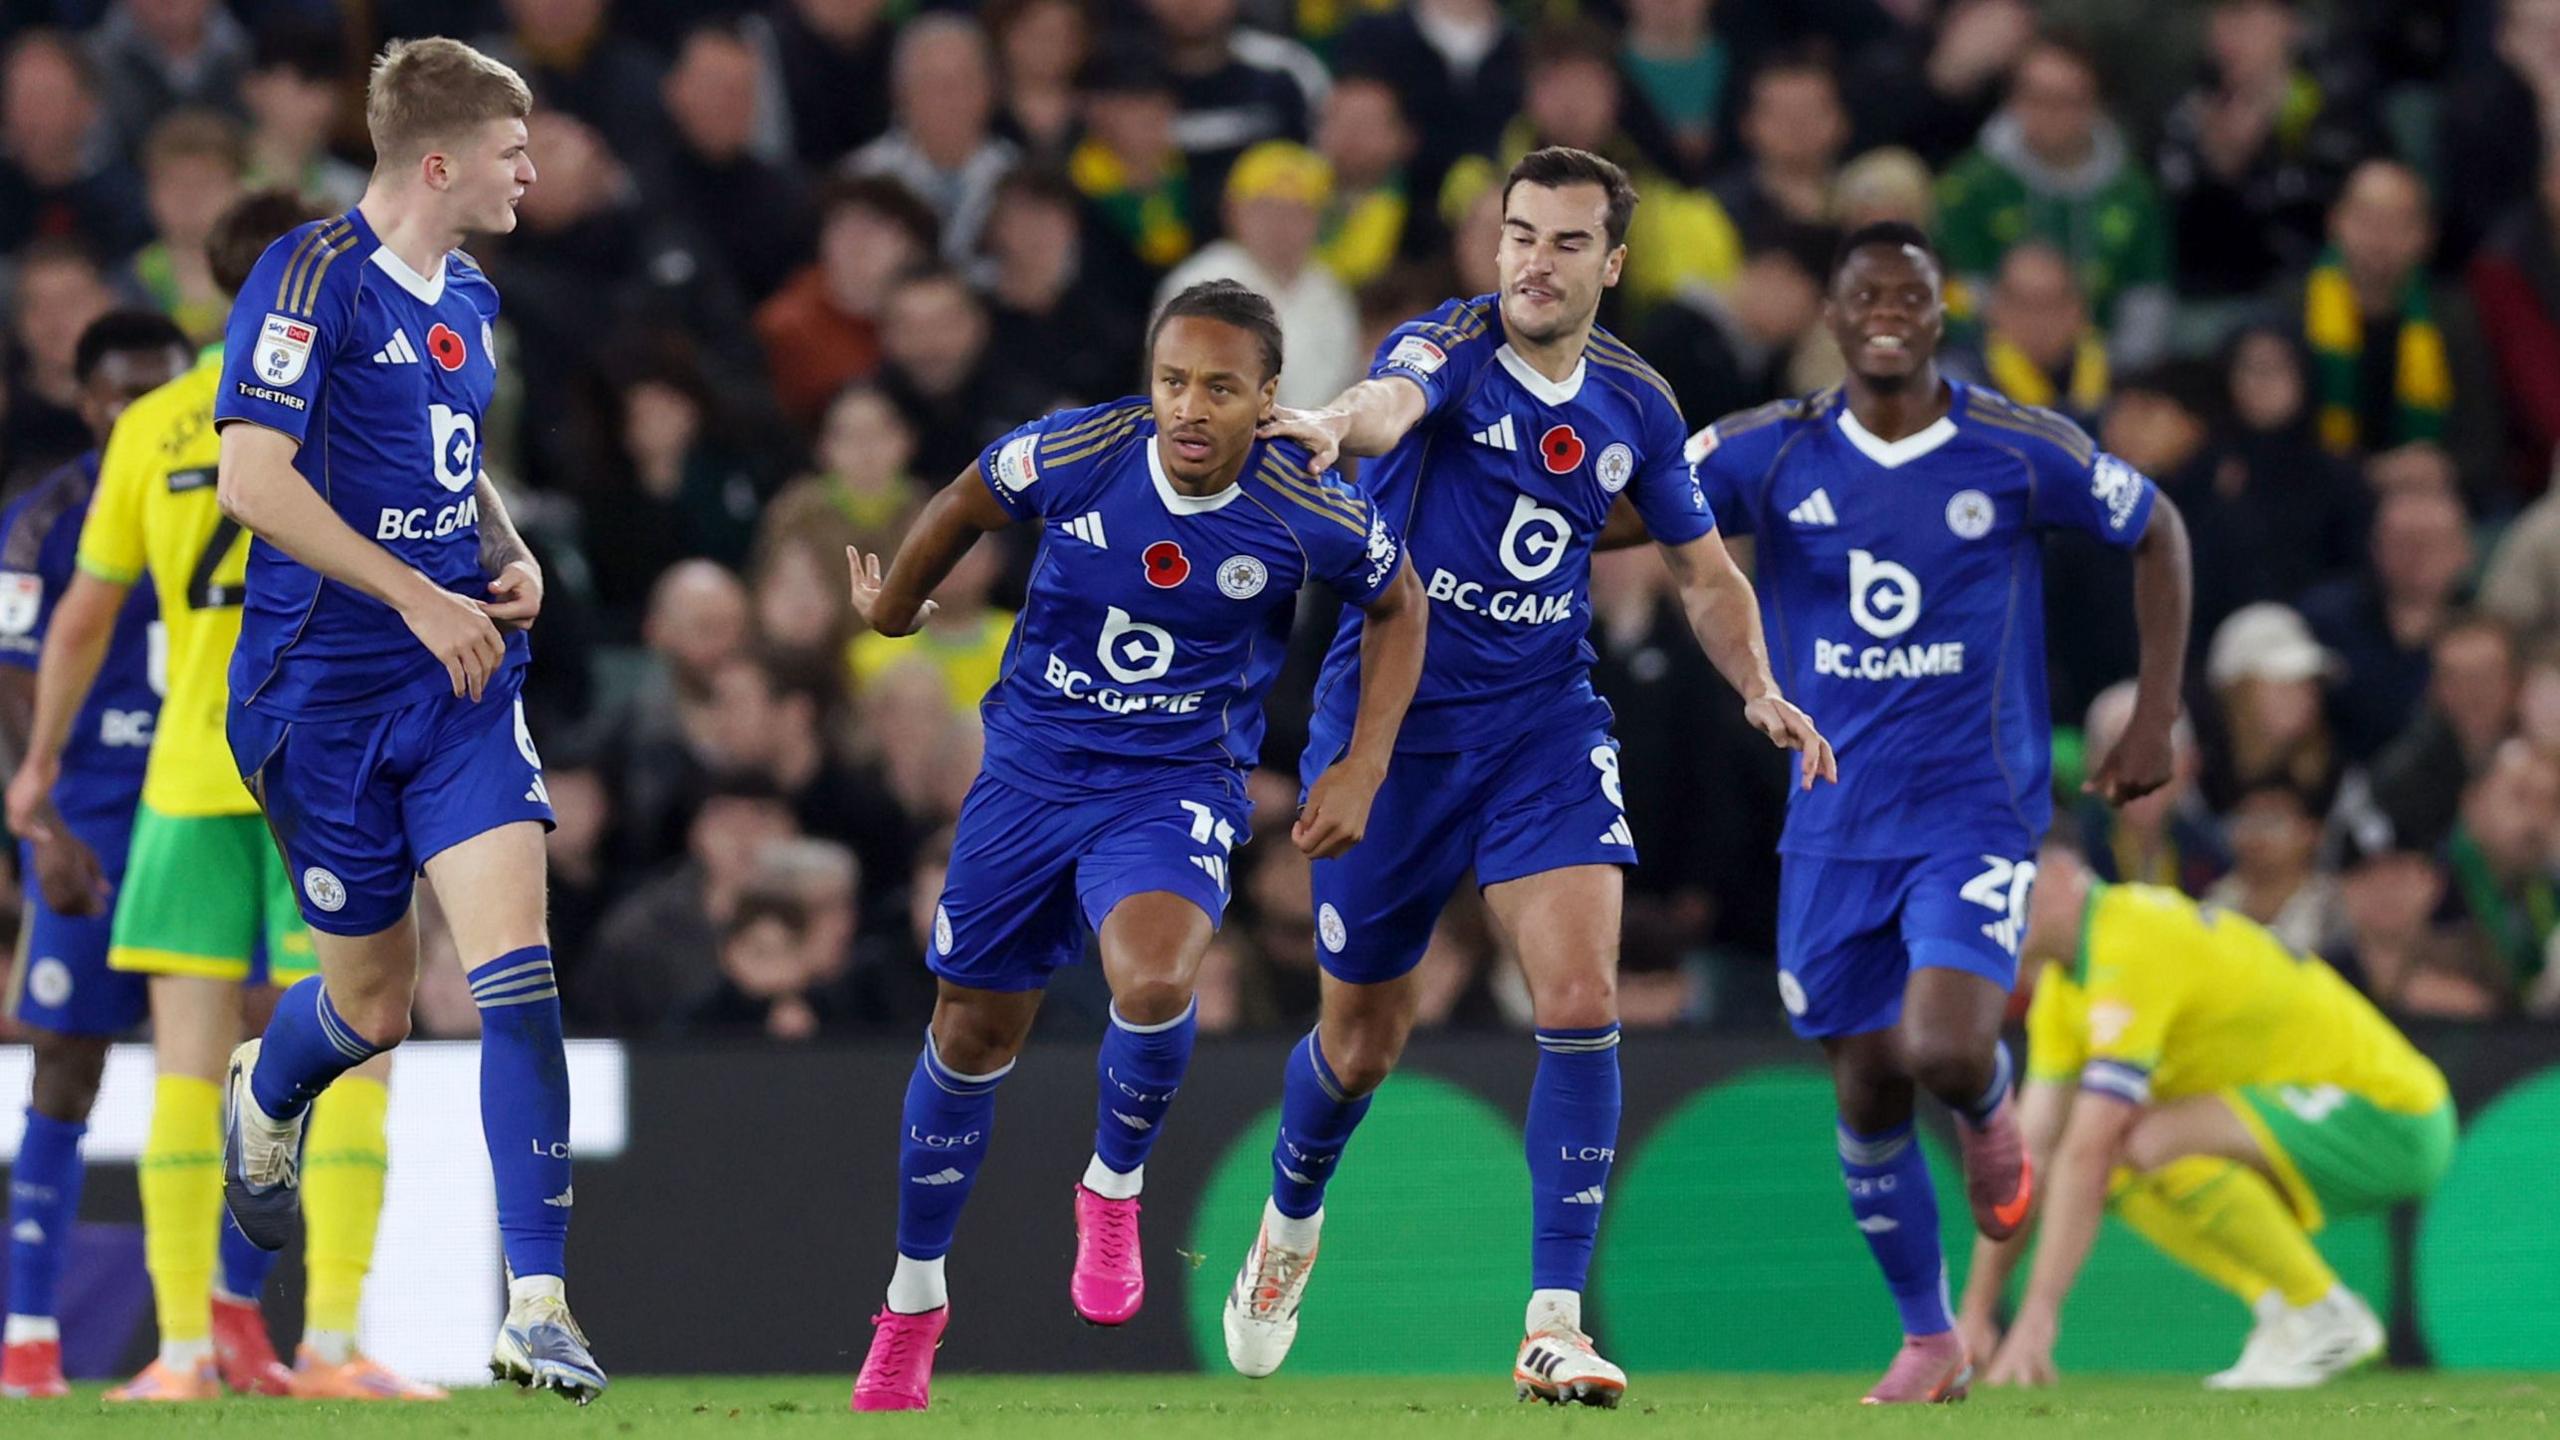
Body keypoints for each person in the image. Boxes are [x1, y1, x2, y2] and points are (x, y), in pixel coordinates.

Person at [1231, 146, 1834, 1408]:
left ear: (1612, 264)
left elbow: (1702, 569)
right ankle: (1291, 1219)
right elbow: (1380, 408)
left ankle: (1550, 1323)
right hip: (1390, 728)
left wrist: (1759, 686)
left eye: (1565, 243)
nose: (1534, 263)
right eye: (1518, 235)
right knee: (1359, 1041)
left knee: (1575, 991)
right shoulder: (1442, 350)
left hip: (1540, 725)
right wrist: (1330, 424)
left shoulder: (1636, 403)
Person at [840, 279, 1427, 1412]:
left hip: (1171, 783)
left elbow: (1399, 603)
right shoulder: (1082, 449)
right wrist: (895, 607)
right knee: (968, 1033)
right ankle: (913, 1301)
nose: (1189, 408)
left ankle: (1112, 1189)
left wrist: (1362, 762)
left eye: (1219, 386)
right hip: (1028, 774)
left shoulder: (1305, 504)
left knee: (1156, 978)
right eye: (1171, 381)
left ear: (1268, 398)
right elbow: (966, 498)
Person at [1687, 220, 2191, 1402]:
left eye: (1908, 295)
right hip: (1828, 821)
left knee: (1947, 1043)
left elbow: (2154, 525)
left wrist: (2154, 713)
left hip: (1974, 809)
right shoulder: (1771, 455)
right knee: (1863, 1086)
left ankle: (1988, 1107)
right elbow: (1636, 507)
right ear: (1831, 314)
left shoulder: (2013, 449)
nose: (1886, 313)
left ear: (1939, 311)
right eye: (1864, 294)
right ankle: (1930, 1338)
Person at [199, 38, 601, 1402]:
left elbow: (452, 450)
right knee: (372, 1007)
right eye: (509, 151)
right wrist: (409, 597)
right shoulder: (306, 278)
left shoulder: (473, 294)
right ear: (438, 162)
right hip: (316, 701)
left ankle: (537, 1304)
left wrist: (501, 550)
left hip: (461, 687)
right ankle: (266, 1094)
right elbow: (251, 479)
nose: (530, 171)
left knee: (516, 972)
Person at [7, 197, 443, 1405]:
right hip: (324, 769)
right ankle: (333, 1341)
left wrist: (39, 765)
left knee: (187, 1066)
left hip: (187, 777)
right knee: (356, 1051)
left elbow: (85, 614)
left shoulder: (149, 422)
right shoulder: (361, 392)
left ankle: (184, 1355)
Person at [1959, 847, 2454, 1390]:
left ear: (2062, 876)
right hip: (2332, 1113)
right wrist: (1975, 1313)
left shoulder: (2131, 937)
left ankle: (2322, 1311)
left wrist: (2039, 1315)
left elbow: (2087, 1148)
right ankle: (2293, 1308)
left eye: (2008, 892)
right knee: (2123, 1167)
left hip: (2395, 1111)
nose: (1993, 912)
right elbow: (2027, 1158)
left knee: (2136, 1142)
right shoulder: (2064, 984)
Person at [0, 310, 190, 1400]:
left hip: (203, 816)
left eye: (161, 389)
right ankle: (29, 1334)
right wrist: (47, 826)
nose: (141, 412)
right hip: (89, 822)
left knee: (218, 1068)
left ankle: (206, 1332)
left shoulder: (230, 485)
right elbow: (11, 680)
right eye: (122, 394)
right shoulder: (46, 518)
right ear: (87, 403)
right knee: (64, 1069)